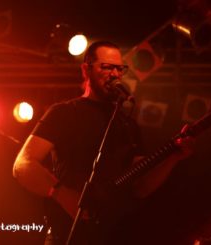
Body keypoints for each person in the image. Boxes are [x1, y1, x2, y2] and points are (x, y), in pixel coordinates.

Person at [12, 41, 194, 245]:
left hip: (115, 235)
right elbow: (24, 164)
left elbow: (141, 186)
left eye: (119, 68)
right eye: (106, 67)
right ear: (86, 69)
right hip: (68, 234)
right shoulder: (64, 113)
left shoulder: (128, 124)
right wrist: (63, 195)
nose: (115, 74)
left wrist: (173, 157)